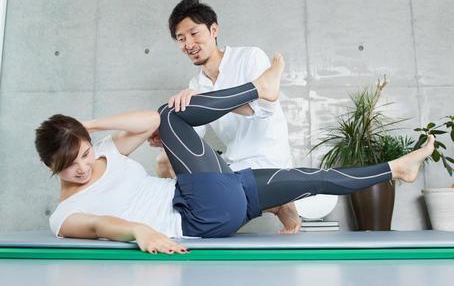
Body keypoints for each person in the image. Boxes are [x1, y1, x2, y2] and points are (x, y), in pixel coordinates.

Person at [35, 56, 435, 255]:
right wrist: (138, 231)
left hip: (222, 198)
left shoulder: (104, 152)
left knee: (310, 177)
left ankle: (396, 169)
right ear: (51, 167)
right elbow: (101, 225)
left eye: (85, 153)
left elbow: (142, 121)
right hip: (196, 214)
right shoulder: (65, 217)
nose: (84, 166)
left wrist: (88, 124)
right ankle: (259, 88)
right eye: (71, 164)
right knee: (171, 115)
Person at [151, 0, 300, 232]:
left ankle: (279, 201)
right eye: (181, 39)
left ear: (213, 30)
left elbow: (264, 108)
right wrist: (168, 137)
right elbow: (193, 133)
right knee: (163, 161)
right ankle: (174, 219)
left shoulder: (249, 56)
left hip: (267, 160)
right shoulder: (196, 83)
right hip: (233, 164)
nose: (188, 44)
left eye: (194, 33)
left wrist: (206, 101)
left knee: (218, 223)